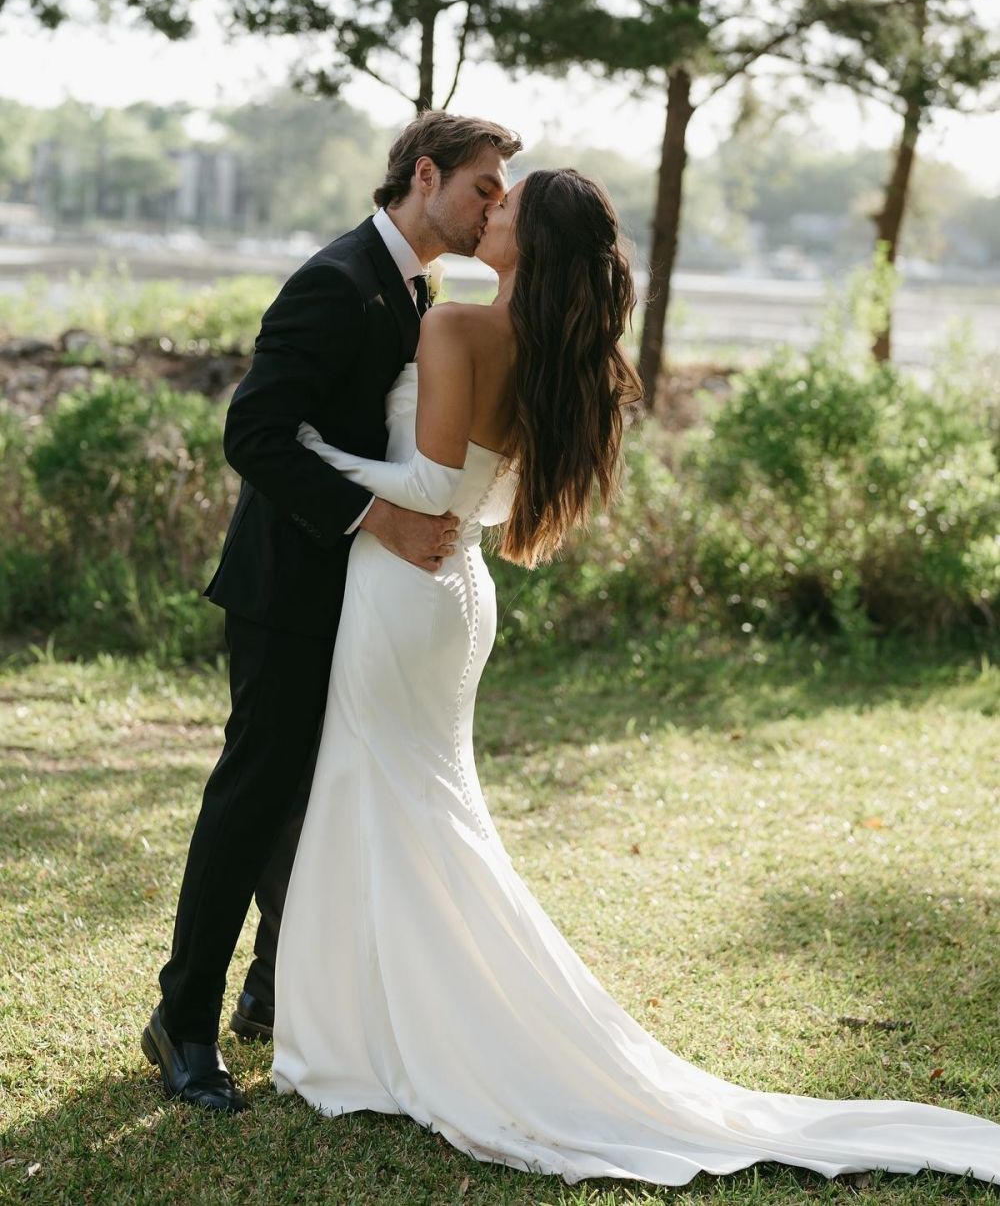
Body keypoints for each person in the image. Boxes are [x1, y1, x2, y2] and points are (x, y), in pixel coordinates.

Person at [271, 167, 1000, 1187]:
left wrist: (309, 451)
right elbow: (483, 508)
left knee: (385, 800)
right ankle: (369, 1024)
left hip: (407, 585)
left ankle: (370, 1040)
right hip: (460, 593)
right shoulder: (567, 356)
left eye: (507, 208)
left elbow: (434, 491)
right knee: (412, 809)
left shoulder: (459, 331)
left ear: (536, 243)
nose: (491, 213)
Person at [141, 111, 522, 1112]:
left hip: (360, 594)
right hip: (286, 588)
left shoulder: (418, 290)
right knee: (254, 795)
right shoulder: (336, 279)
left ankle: (276, 984)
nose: (493, 206)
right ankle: (182, 1023)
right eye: (484, 186)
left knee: (315, 794)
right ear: (425, 175)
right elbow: (253, 435)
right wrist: (377, 517)